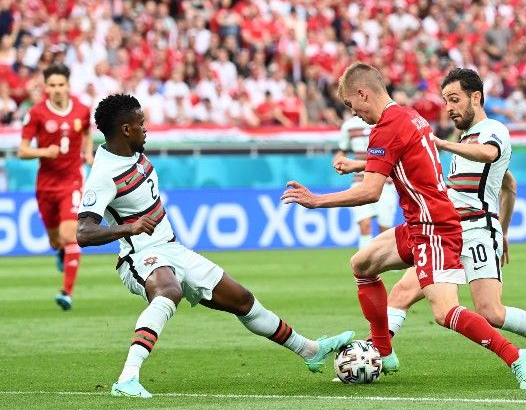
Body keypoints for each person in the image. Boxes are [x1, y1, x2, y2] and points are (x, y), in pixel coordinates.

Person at [282, 63, 526, 390]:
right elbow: (401, 164)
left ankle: (518, 357)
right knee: (361, 263)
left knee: (446, 312)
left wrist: (317, 201)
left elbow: (370, 191)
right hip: (422, 221)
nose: (354, 113)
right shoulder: (409, 116)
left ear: (363, 93)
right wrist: (362, 163)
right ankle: (384, 351)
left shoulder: (387, 128)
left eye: (351, 104)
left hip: (434, 226)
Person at [77, 94, 353, 399]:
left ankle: (310, 350)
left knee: (242, 300)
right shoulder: (102, 175)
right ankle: (127, 378)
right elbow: (83, 232)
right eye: (142, 124)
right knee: (168, 291)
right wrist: (128, 227)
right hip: (140, 255)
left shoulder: (134, 152)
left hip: (172, 248)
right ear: (126, 129)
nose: (147, 129)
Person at [384, 68, 526, 377]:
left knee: (491, 312)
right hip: (448, 234)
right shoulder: (464, 137)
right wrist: (506, 233)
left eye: (455, 100)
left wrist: (441, 145)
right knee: (401, 293)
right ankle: (376, 357)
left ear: (476, 97)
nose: (449, 108)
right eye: (446, 101)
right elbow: (509, 184)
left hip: (478, 231)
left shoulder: (493, 129)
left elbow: (487, 153)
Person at [19, 64, 93, 311]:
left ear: (68, 86)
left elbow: (86, 131)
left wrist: (88, 153)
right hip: (46, 184)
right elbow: (22, 150)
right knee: (55, 240)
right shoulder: (37, 113)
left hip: (72, 180)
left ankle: (67, 293)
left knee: (69, 234)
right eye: (52, 85)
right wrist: (43, 152)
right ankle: (61, 251)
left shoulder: (82, 109)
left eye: (61, 85)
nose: (57, 89)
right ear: (46, 88)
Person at [335, 114, 398, 249]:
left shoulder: (385, 121)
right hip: (360, 180)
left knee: (385, 228)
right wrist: (337, 161)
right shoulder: (348, 126)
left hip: (384, 181)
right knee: (364, 225)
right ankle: (365, 265)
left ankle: (385, 261)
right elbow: (342, 151)